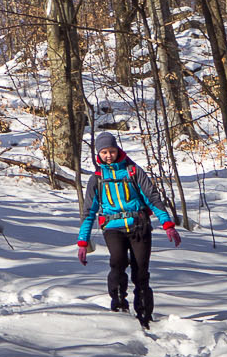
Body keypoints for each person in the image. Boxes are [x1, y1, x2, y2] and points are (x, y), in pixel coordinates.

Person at [74, 131, 181, 328]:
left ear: (118, 150)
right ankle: (119, 306)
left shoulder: (133, 171)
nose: (109, 155)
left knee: (141, 271)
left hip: (139, 226)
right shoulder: (96, 179)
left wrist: (168, 225)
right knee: (117, 263)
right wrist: (83, 242)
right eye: (104, 152)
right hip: (113, 229)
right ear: (99, 154)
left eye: (112, 151)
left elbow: (152, 197)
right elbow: (89, 212)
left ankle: (144, 315)